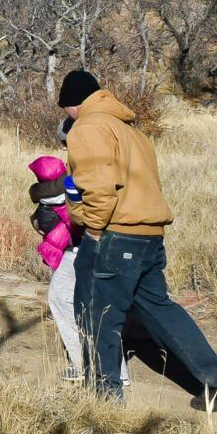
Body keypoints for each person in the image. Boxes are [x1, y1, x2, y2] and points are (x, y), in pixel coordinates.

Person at [58, 69, 217, 410]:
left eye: (66, 109)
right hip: (149, 235)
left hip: (114, 234)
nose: (67, 117)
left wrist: (93, 230)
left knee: (98, 314)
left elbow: (99, 189)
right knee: (161, 310)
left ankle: (104, 400)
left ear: (73, 103)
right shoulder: (130, 131)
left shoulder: (88, 127)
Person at [28, 154, 129, 386]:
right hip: (99, 248)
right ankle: (112, 371)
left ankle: (92, 367)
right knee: (96, 306)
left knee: (67, 301)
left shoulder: (53, 199)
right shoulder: (79, 183)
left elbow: (70, 225)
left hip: (79, 253)